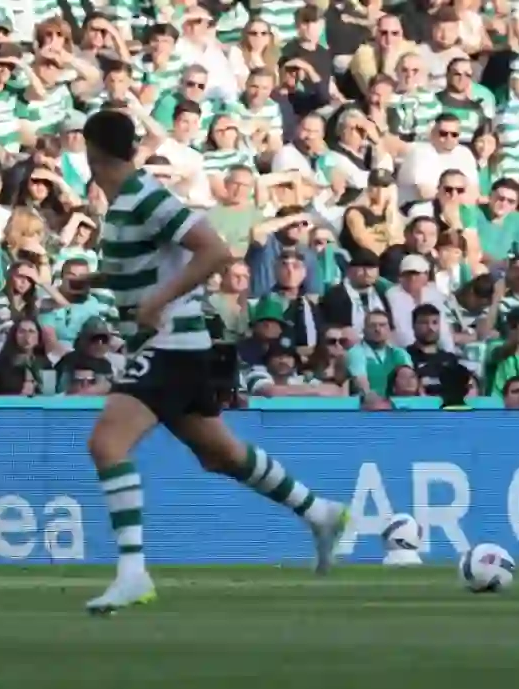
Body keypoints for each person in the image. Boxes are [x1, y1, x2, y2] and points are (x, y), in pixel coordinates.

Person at [78, 110, 349, 615]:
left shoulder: (146, 195)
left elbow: (215, 251)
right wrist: (93, 283)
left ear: (91, 150)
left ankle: (132, 572)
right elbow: (155, 264)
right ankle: (321, 512)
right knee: (220, 454)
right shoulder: (124, 204)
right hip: (166, 344)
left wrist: (158, 303)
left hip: (172, 343)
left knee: (107, 443)